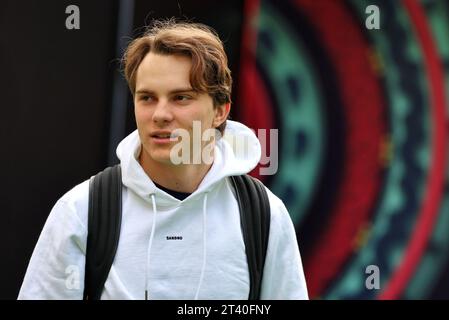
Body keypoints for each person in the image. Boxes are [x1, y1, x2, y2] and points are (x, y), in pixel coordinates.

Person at [18, 19, 308, 300]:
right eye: (147, 98)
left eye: (181, 97)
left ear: (220, 111)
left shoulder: (264, 214)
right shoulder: (82, 210)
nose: (160, 114)